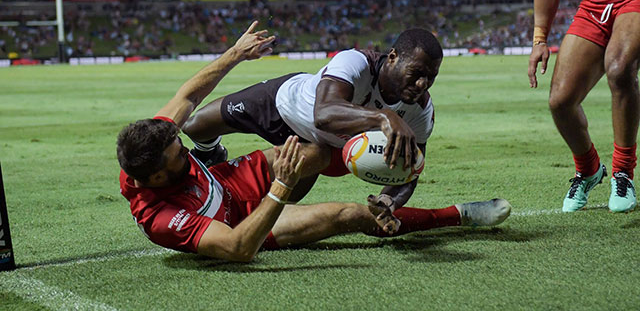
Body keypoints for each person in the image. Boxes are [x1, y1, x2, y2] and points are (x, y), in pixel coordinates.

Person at [117, 21, 512, 262]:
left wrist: (236, 54)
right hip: (242, 222)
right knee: (350, 216)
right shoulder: (162, 219)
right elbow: (238, 248)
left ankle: (214, 151)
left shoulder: (154, 139)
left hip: (229, 182)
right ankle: (458, 214)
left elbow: (187, 97)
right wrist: (281, 188)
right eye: (178, 161)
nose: (183, 158)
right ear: (152, 180)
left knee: (311, 151)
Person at [182, 28, 443, 231]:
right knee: (193, 126)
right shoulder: (356, 62)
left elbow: (409, 171)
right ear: (394, 58)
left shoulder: (420, 111)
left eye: (431, 77)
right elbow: (324, 114)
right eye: (417, 72)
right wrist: (383, 117)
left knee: (271, 213)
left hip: (317, 148)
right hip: (281, 104)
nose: (422, 84)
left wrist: (390, 202)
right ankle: (212, 151)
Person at [528, 0, 640, 213]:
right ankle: (589, 170)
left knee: (620, 69)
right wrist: (539, 40)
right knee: (561, 101)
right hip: (595, 3)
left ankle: (622, 173)